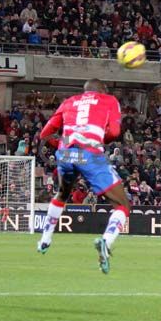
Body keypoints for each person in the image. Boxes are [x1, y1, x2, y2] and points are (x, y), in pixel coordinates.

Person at [36, 79, 129, 274]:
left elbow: (45, 133)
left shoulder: (69, 101)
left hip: (66, 153)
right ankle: (106, 242)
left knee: (62, 194)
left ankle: (45, 239)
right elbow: (114, 131)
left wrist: (63, 144)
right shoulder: (109, 100)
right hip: (90, 153)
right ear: (102, 90)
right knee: (122, 205)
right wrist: (97, 139)